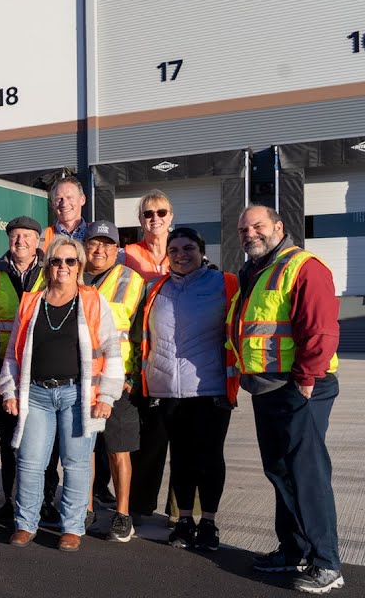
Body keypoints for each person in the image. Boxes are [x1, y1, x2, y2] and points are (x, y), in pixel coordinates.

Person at [230, 205, 343, 593]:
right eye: (244, 229)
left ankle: (326, 562)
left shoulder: (304, 267)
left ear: (279, 227)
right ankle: (292, 549)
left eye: (258, 226)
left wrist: (307, 378)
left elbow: (321, 329)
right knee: (280, 471)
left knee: (306, 474)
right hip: (267, 387)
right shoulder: (254, 270)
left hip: (301, 387)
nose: (250, 234)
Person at [0, 236, 123, 552]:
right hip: (36, 396)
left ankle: (71, 527)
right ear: (47, 264)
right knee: (29, 462)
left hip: (78, 395)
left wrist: (106, 396)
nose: (63, 267)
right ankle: (25, 524)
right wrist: (10, 390)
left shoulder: (92, 300)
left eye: (70, 261)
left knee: (77, 464)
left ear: (79, 265)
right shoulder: (31, 302)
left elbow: (112, 348)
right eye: (57, 260)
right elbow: (14, 353)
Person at [128, 227, 238, 551]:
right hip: (166, 390)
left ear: (202, 251)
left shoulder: (225, 284)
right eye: (173, 249)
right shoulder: (155, 288)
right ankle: (185, 521)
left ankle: (209, 523)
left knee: (210, 458)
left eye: (188, 248)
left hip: (210, 388)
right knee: (181, 459)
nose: (180, 254)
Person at [0, 215, 50, 524]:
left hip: (41, 367)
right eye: (14, 235)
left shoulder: (53, 269)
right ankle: (10, 499)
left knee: (44, 439)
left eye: (26, 235)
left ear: (38, 241)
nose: (20, 240)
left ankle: (44, 500)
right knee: (9, 440)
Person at [81, 221, 145, 543]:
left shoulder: (133, 280)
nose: (100, 249)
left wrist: (134, 376)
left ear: (117, 249)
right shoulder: (71, 274)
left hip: (119, 380)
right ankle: (87, 509)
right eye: (94, 242)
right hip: (82, 379)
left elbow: (142, 332)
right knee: (86, 448)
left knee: (118, 450)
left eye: (107, 244)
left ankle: (122, 515)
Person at [125, 190, 173, 279]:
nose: (155, 218)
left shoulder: (187, 251)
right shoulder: (127, 255)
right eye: (148, 214)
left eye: (162, 212)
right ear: (140, 219)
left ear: (170, 217)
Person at [41, 176, 89, 253]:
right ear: (53, 204)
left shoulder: (96, 234)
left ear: (82, 200)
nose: (64, 204)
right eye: (59, 199)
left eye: (69, 197)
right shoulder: (41, 238)